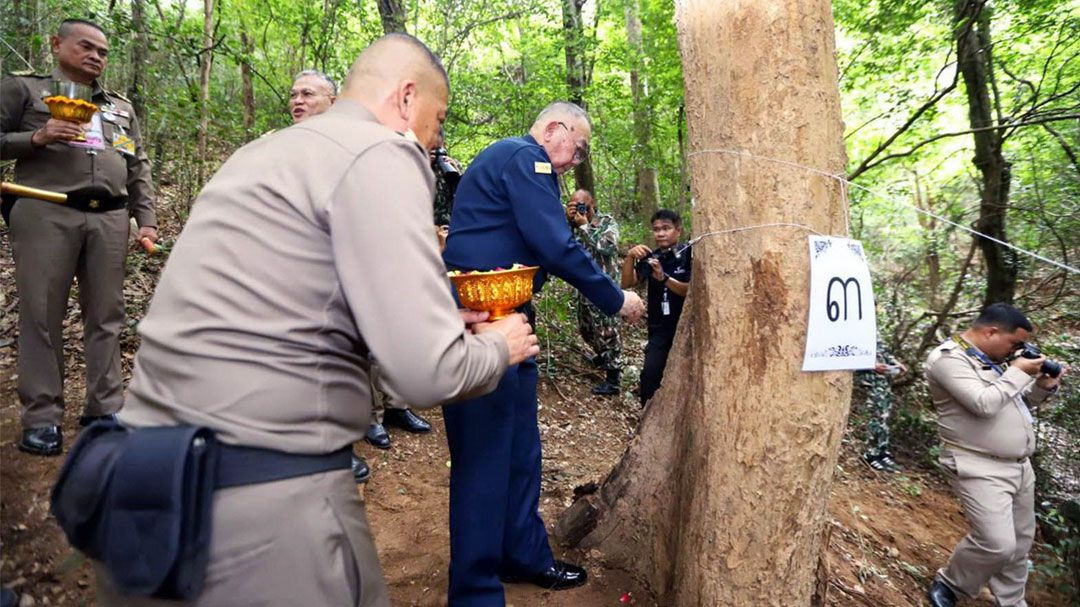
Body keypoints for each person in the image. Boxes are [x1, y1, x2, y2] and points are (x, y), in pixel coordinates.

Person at [96, 33, 539, 607]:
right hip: (257, 513)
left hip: (143, 490)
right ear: (407, 99)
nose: (435, 138)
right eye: (437, 119)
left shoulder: (264, 152)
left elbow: (290, 301)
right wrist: (501, 345)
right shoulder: (383, 152)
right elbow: (427, 375)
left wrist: (430, 314)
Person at [441, 101, 645, 606]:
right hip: (481, 322)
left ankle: (523, 555)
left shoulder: (523, 166)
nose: (575, 161)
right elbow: (554, 245)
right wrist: (616, 298)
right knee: (484, 458)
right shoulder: (523, 157)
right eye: (576, 148)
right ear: (554, 128)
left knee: (519, 452)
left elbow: (538, 243)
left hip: (512, 320)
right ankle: (475, 592)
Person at [1, 19, 159, 456]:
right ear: (57, 44)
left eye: (103, 51)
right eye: (86, 46)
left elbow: (137, 164)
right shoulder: (23, 91)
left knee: (107, 314)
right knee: (41, 314)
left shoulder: (119, 107)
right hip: (45, 211)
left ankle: (104, 408)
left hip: (109, 217)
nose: (96, 56)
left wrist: (145, 219)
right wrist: (36, 136)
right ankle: (42, 416)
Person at [924, 303, 1066, 607]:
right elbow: (983, 403)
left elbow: (1017, 404)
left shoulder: (992, 360)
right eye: (1015, 343)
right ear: (991, 331)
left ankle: (1012, 602)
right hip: (978, 465)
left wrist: (1043, 387)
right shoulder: (948, 359)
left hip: (1018, 466)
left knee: (1019, 545)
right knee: (997, 544)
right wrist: (1016, 372)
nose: (1018, 351)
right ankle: (950, 584)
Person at [621, 209, 691, 406]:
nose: (660, 233)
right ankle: (646, 421)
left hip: (685, 327)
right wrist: (629, 257)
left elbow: (690, 290)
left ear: (678, 231)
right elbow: (627, 283)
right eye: (656, 229)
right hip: (659, 329)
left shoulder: (689, 255)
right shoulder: (652, 258)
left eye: (666, 228)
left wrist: (664, 278)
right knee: (650, 375)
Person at [565, 189, 623, 395]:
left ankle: (614, 377)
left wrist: (585, 227)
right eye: (575, 205)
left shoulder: (607, 222)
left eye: (584, 205)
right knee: (587, 328)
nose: (580, 209)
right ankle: (601, 355)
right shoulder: (571, 225)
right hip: (584, 287)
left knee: (608, 331)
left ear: (593, 204)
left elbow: (607, 247)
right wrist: (567, 221)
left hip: (605, 287)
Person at [855, 338, 907, 473]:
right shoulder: (856, 330)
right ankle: (871, 455)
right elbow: (849, 356)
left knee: (884, 418)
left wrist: (895, 364)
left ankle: (882, 452)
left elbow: (884, 351)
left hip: (883, 384)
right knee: (875, 419)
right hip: (869, 384)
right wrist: (872, 365)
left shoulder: (874, 332)